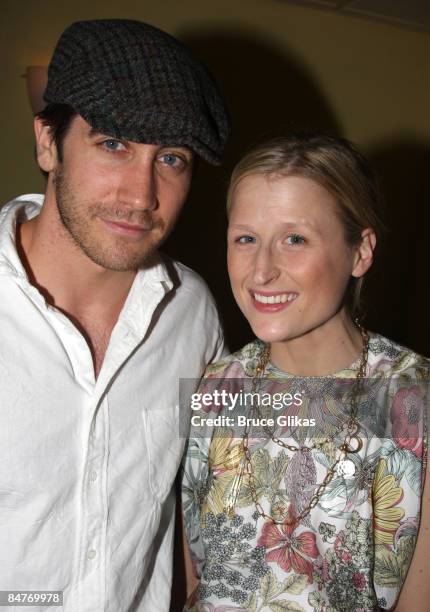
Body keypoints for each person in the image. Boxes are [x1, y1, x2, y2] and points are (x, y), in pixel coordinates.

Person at [0, 19, 230, 612]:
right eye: (113, 145)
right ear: (48, 143)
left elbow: (204, 489)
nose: (142, 195)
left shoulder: (194, 312)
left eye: (172, 159)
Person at [182, 133, 430, 611]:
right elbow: (191, 579)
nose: (261, 271)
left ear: (361, 252)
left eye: (295, 239)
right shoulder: (215, 385)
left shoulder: (412, 398)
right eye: (246, 239)